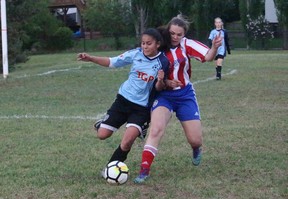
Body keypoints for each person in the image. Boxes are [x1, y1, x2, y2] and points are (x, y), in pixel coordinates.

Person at [134, 14, 222, 184]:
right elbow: (145, 62)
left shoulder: (187, 44)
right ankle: (144, 170)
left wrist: (215, 47)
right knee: (156, 130)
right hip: (164, 95)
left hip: (184, 95)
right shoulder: (159, 44)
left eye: (178, 34)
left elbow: (208, 57)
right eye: (172, 33)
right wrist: (164, 81)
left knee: (195, 140)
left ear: (184, 35)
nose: (175, 37)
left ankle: (196, 149)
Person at [77, 28, 169, 173]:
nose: (145, 46)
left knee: (127, 142)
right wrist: (91, 58)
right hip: (123, 101)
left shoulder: (163, 61)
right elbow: (111, 62)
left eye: (148, 44)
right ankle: (102, 123)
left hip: (141, 108)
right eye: (143, 43)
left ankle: (110, 169)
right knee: (102, 135)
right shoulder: (136, 54)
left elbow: (159, 88)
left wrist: (161, 80)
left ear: (157, 44)